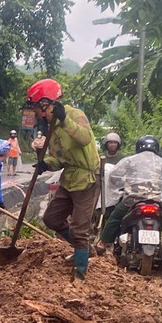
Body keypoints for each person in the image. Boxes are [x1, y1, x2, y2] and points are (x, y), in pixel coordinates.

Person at [27, 78, 100, 281]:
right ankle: (81, 248)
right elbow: (59, 159)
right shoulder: (52, 127)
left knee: (79, 228)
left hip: (87, 178)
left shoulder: (74, 115)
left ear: (48, 104)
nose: (39, 114)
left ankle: (80, 271)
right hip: (69, 179)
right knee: (51, 219)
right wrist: (46, 164)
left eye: (39, 109)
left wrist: (65, 120)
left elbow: (85, 137)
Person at [101, 135, 162, 260]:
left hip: (132, 200)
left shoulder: (129, 160)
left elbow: (114, 176)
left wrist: (119, 185)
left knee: (114, 218)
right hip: (155, 201)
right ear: (156, 148)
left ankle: (102, 243)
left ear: (138, 147)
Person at [98, 132, 124, 229]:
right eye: (110, 143)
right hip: (103, 188)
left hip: (117, 188)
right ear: (106, 144)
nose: (112, 145)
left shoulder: (123, 158)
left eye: (115, 143)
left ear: (118, 144)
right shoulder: (101, 157)